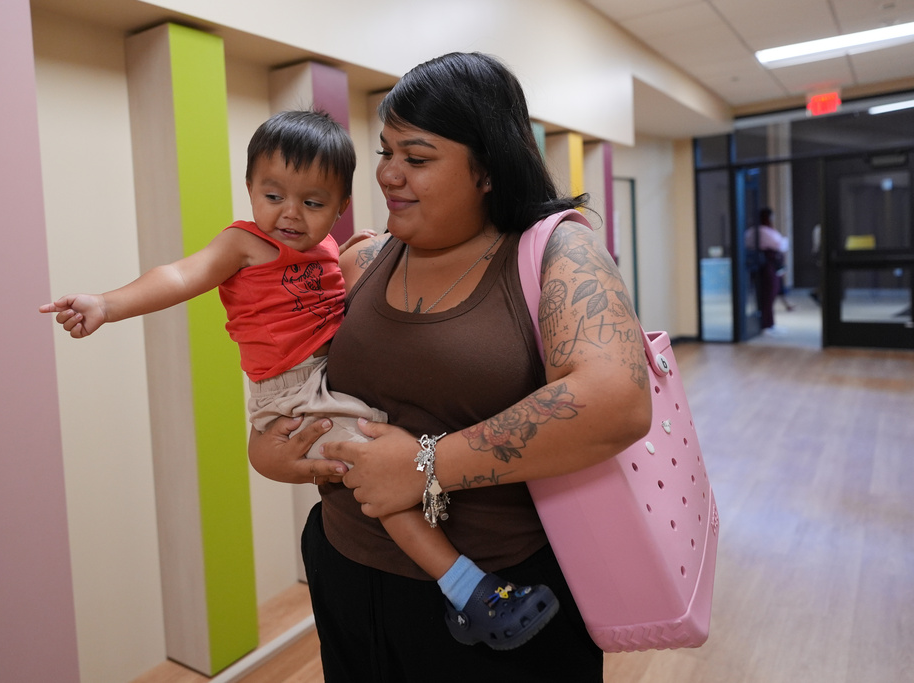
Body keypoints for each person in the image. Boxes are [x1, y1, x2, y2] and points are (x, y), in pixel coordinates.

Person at [38, 109, 555, 652]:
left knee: (393, 453)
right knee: (378, 475)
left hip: (328, 377)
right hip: (294, 389)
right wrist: (106, 305)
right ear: (249, 189)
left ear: (339, 206)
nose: (289, 215)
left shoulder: (332, 248)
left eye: (312, 203)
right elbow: (179, 275)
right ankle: (469, 590)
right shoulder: (244, 245)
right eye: (273, 195)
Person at [249, 53, 652, 681]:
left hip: (500, 600)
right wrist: (277, 452)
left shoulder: (555, 251)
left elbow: (615, 400)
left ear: (486, 168)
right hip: (345, 572)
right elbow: (296, 385)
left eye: (417, 157)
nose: (388, 175)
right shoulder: (360, 260)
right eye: (384, 152)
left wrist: (424, 466)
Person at [745, 207, 790, 335]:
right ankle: (766, 324)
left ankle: (768, 323)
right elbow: (780, 245)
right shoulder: (765, 231)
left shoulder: (751, 231)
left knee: (764, 295)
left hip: (758, 266)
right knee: (769, 294)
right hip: (767, 266)